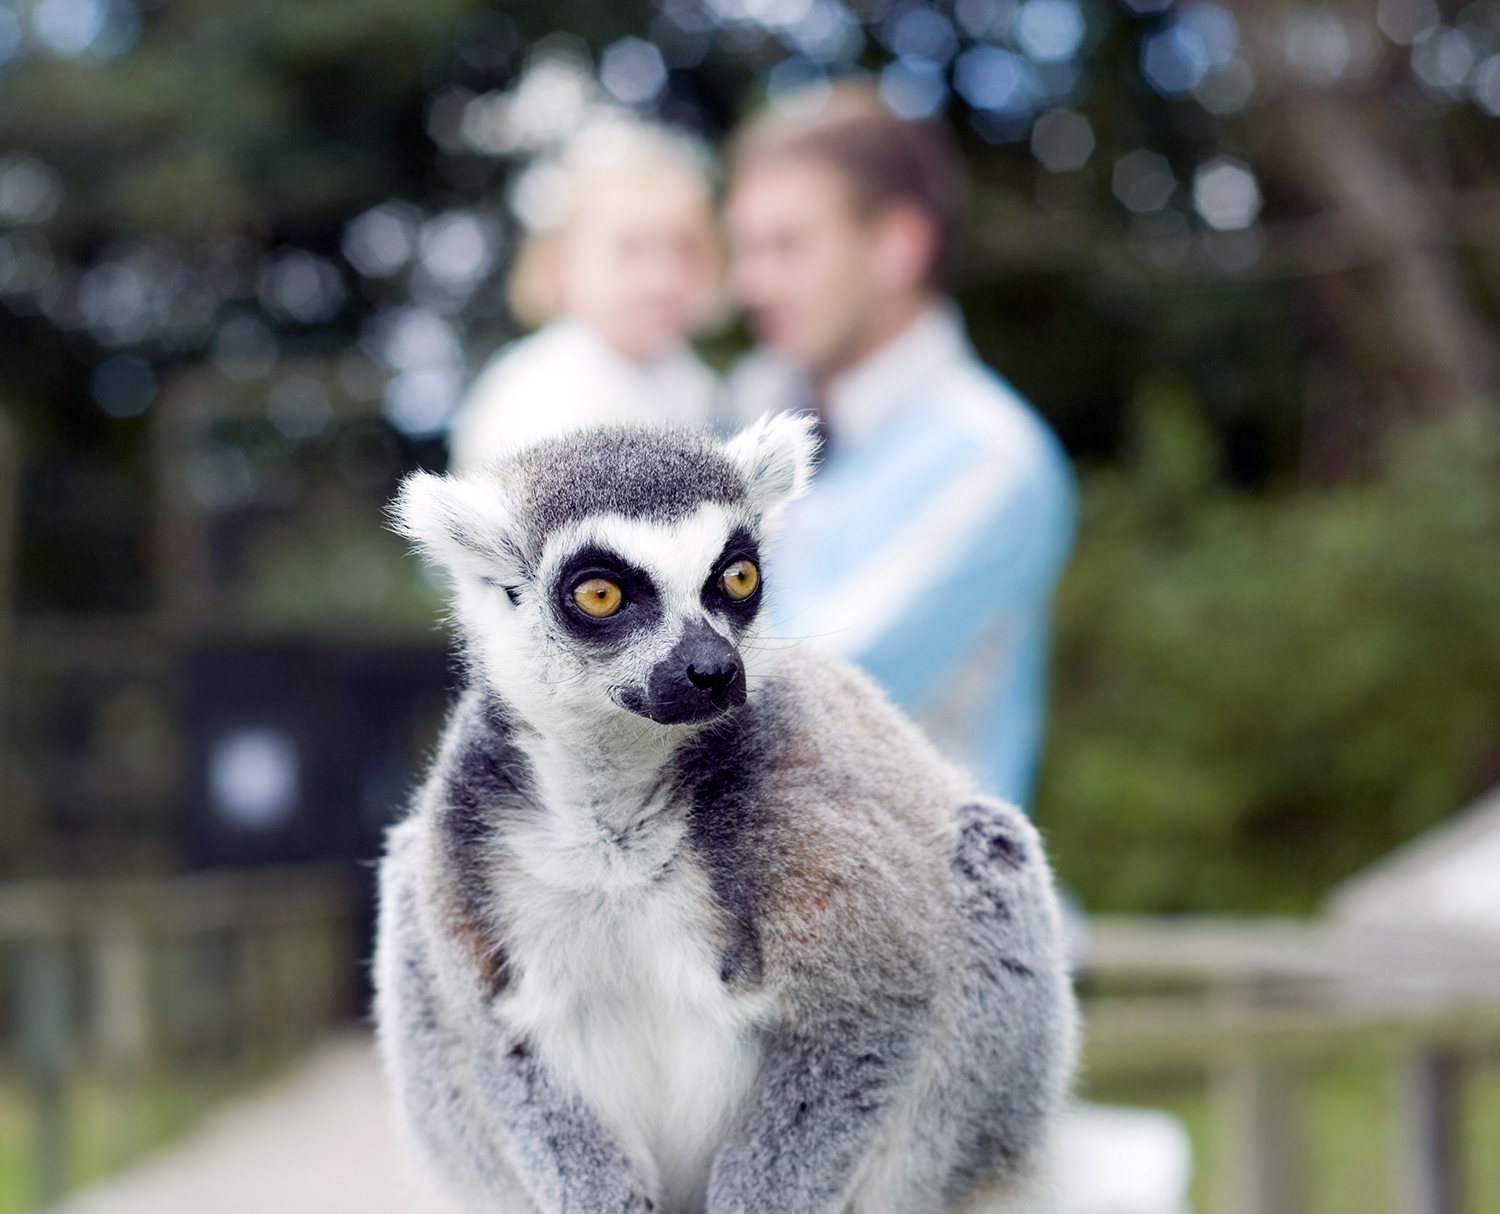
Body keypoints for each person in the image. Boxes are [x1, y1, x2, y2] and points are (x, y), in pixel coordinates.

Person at [725, 83, 1075, 808]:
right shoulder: (754, 406)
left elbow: (803, 706)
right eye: (745, 248)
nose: (750, 282)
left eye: (787, 246)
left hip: (914, 906)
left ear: (897, 245)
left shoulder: (994, 458)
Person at [448, 121, 722, 469]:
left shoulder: (692, 381)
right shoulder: (540, 392)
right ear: (559, 269)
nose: (662, 280)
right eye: (630, 251)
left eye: (685, 250)